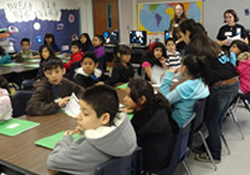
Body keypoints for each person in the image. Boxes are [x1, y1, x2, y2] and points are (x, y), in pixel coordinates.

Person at [179, 19, 239, 163]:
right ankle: (209, 145)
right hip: (233, 82)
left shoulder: (194, 47)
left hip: (223, 86)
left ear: (187, 33)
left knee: (211, 120)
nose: (181, 38)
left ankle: (215, 154)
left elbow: (188, 73)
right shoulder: (208, 42)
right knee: (215, 118)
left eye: (181, 34)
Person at [47, 85, 137, 175]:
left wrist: (66, 140)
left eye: (85, 113)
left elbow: (52, 162)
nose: (78, 116)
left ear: (105, 118)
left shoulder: (87, 148)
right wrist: (87, 130)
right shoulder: (126, 129)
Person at [122, 79, 174, 174]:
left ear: (142, 100)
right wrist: (135, 109)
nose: (124, 99)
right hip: (164, 155)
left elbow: (128, 143)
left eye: (129, 96)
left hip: (149, 163)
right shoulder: (157, 106)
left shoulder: (141, 120)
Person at [160, 54, 210, 128]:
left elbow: (164, 101)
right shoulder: (200, 81)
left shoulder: (185, 87)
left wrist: (168, 75)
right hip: (191, 121)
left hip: (178, 122)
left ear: (184, 68)